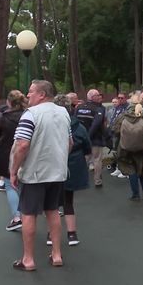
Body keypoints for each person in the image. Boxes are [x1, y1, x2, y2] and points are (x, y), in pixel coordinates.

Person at [10, 80, 72, 271]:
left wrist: (13, 170)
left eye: (31, 92)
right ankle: (56, 254)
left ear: (42, 94)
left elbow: (22, 145)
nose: (28, 95)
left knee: (28, 213)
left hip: (35, 173)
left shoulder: (31, 115)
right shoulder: (64, 113)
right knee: (53, 211)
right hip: (57, 172)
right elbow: (70, 142)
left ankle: (28, 259)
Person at [55, 95, 91, 246]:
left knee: (53, 204)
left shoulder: (52, 124)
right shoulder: (79, 126)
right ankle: (72, 234)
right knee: (69, 201)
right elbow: (87, 147)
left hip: (54, 165)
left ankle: (52, 234)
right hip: (73, 166)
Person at [0, 90, 27, 231]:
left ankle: (17, 218)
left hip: (7, 153)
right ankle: (29, 215)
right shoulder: (28, 115)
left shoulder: (3, 117)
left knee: (10, 186)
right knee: (26, 185)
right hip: (26, 152)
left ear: (9, 102)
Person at [113, 94, 143, 201]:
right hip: (142, 147)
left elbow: (116, 130)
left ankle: (135, 194)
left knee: (131, 170)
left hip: (126, 148)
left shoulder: (123, 116)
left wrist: (116, 147)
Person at [75, 89, 107, 187]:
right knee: (97, 160)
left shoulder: (79, 107)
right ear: (93, 97)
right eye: (97, 95)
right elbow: (96, 124)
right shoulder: (98, 109)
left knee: (84, 159)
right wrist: (89, 136)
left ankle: (80, 179)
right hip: (95, 138)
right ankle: (97, 181)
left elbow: (75, 121)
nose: (99, 97)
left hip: (81, 138)